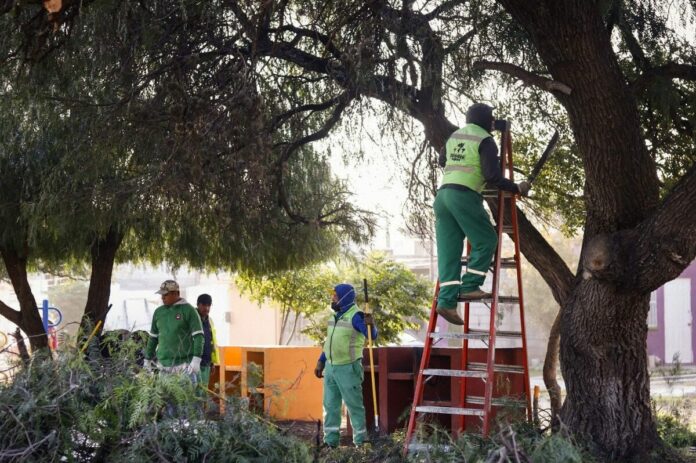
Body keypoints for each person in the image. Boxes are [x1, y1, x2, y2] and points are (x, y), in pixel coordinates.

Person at [434, 103, 530, 325]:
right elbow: (492, 176)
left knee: (449, 252)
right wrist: (517, 188)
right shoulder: (485, 140)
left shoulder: (455, 136)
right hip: (464, 196)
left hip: (443, 196)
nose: (494, 122)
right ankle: (469, 286)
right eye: (492, 118)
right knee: (486, 239)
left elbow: (442, 161)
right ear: (486, 120)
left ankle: (446, 303)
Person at [314, 283, 378, 448]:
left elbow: (371, 335)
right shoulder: (333, 317)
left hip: (349, 368)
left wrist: (371, 324)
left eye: (335, 295)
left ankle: (361, 444)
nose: (332, 298)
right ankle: (330, 442)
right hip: (331, 368)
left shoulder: (356, 316)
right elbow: (329, 342)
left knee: (354, 407)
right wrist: (321, 361)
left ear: (344, 297)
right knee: (330, 406)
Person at [144, 280, 204, 381]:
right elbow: (153, 338)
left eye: (165, 294)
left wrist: (196, 360)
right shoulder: (159, 312)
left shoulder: (189, 310)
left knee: (185, 397)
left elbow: (199, 336)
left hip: (185, 367)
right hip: (163, 368)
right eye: (162, 294)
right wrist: (147, 360)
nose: (162, 297)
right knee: (164, 397)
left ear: (176, 293)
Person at [195, 293, 219, 389]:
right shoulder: (193, 319)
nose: (207, 308)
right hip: (195, 363)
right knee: (196, 392)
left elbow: (211, 341)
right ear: (198, 305)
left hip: (207, 363)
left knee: (204, 392)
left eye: (209, 305)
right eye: (204, 305)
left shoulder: (210, 320)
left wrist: (212, 362)